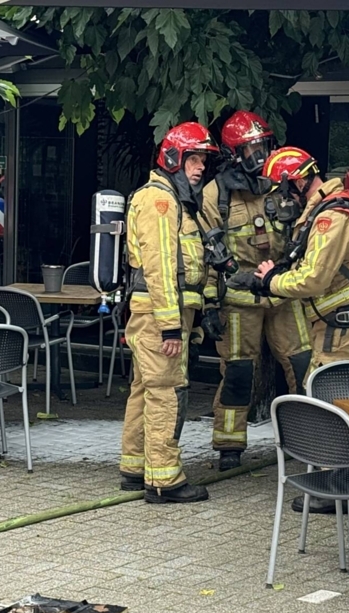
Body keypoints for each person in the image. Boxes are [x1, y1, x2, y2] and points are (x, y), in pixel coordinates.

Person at [230, 146, 349, 513]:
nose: (279, 200)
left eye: (281, 190)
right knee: (344, 404)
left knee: (332, 406)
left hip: (344, 328)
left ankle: (337, 490)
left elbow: (313, 279)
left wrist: (268, 283)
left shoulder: (333, 216)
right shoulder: (322, 210)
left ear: (295, 183)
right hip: (338, 326)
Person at [201, 112, 312, 472]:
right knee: (238, 372)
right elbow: (203, 251)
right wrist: (207, 304)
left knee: (303, 366)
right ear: (234, 154)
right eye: (250, 149)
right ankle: (229, 445)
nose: (260, 156)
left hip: (282, 291)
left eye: (263, 145)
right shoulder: (214, 194)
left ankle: (309, 439)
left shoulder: (283, 182)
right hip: (238, 299)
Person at [119, 122, 217, 504]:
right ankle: (164, 480)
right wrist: (172, 327)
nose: (200, 168)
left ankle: (134, 468)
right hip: (161, 317)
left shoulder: (172, 200)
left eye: (203, 161)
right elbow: (159, 266)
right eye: (193, 159)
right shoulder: (160, 201)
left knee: (144, 389)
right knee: (166, 393)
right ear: (174, 159)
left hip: (157, 315)